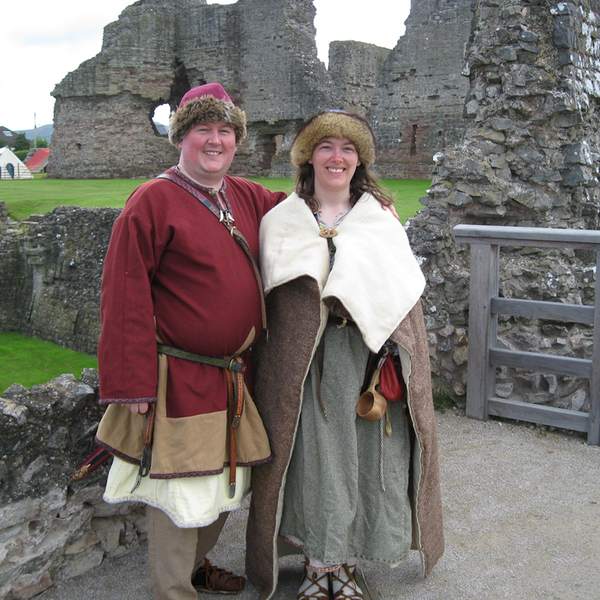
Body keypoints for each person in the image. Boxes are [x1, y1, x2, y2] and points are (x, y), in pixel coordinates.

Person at [94, 83, 287, 599]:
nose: (215, 140)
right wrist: (130, 382)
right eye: (203, 129)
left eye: (225, 130)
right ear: (181, 137)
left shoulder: (244, 194)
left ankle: (197, 569)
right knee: (181, 493)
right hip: (176, 378)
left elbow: (304, 212)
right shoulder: (152, 200)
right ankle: (173, 591)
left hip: (232, 376)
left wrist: (361, 201)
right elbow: (124, 295)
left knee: (227, 482)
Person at [245, 110, 445, 600]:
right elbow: (270, 302)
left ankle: (348, 563)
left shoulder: (380, 218)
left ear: (360, 161)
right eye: (326, 146)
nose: (337, 157)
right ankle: (319, 564)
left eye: (348, 149)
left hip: (367, 362)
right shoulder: (282, 220)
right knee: (313, 461)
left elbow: (402, 294)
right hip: (305, 367)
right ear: (308, 156)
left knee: (367, 459)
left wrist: (397, 356)